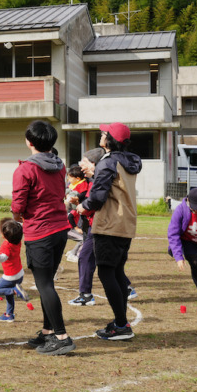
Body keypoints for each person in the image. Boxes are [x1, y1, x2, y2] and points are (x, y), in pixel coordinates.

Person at [12, 120, 74, 356]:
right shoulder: (60, 166)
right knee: (47, 281)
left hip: (40, 231)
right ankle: (48, 331)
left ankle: (61, 336)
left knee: (44, 284)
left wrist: (16, 217)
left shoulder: (25, 169)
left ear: (29, 142)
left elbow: (18, 205)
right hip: (60, 228)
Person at [78, 122, 141, 341]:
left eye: (104, 133)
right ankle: (120, 322)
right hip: (126, 224)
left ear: (110, 140)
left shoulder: (108, 162)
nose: (101, 134)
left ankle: (122, 324)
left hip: (110, 225)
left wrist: (82, 206)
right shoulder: (127, 161)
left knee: (106, 273)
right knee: (116, 273)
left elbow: (97, 197)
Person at [67, 148, 104, 307]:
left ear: (94, 164)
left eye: (85, 162)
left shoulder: (98, 181)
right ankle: (86, 294)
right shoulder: (93, 180)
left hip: (97, 226)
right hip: (92, 225)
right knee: (101, 261)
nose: (81, 165)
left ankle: (86, 295)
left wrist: (80, 206)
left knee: (88, 258)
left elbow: (94, 202)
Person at [0, 218, 28, 323]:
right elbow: (19, 226)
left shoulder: (6, 245)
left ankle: (15, 291)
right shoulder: (17, 241)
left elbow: (3, 257)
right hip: (19, 273)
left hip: (10, 276)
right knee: (8, 296)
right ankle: (9, 315)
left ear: (4, 235)